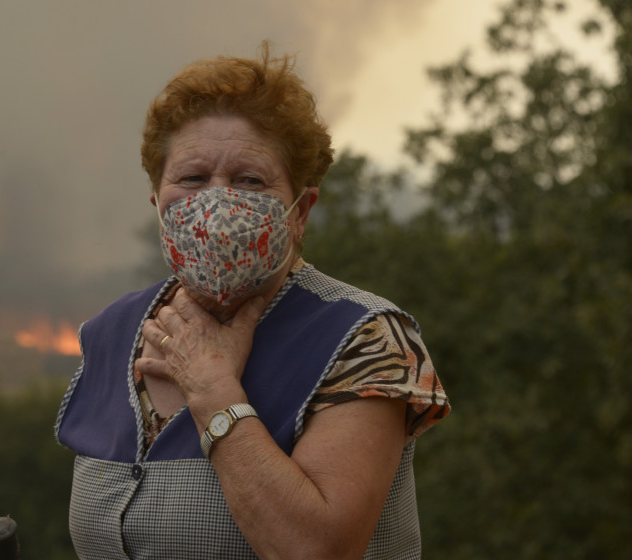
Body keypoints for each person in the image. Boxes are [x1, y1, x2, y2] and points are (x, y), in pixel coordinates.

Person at [55, 43, 450, 560]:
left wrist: (213, 392)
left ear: (300, 210)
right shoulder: (110, 333)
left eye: (249, 181)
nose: (216, 201)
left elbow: (315, 549)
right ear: (158, 201)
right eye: (192, 179)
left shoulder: (365, 337)